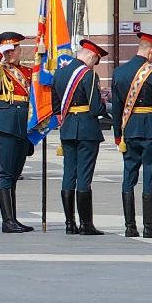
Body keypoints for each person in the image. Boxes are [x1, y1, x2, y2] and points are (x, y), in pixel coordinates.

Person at [111, 30, 152, 238]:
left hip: (129, 131)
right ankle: (149, 226)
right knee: (149, 177)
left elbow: (117, 109)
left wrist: (118, 135)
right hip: (150, 130)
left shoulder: (119, 73)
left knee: (128, 177)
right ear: (151, 50)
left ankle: (130, 226)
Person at [0, 34, 34, 233]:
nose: (11, 54)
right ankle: (7, 220)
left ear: (19, 50)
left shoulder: (27, 72)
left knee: (14, 175)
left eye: (13, 50)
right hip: (6, 126)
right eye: (7, 51)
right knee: (4, 172)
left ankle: (13, 218)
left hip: (23, 127)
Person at [56, 38, 110, 236]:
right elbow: (96, 108)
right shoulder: (88, 75)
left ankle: (70, 223)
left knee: (69, 175)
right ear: (91, 55)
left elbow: (56, 105)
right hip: (87, 129)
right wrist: (105, 107)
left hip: (68, 127)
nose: (94, 64)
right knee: (84, 177)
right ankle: (86, 224)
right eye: (95, 60)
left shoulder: (60, 72)